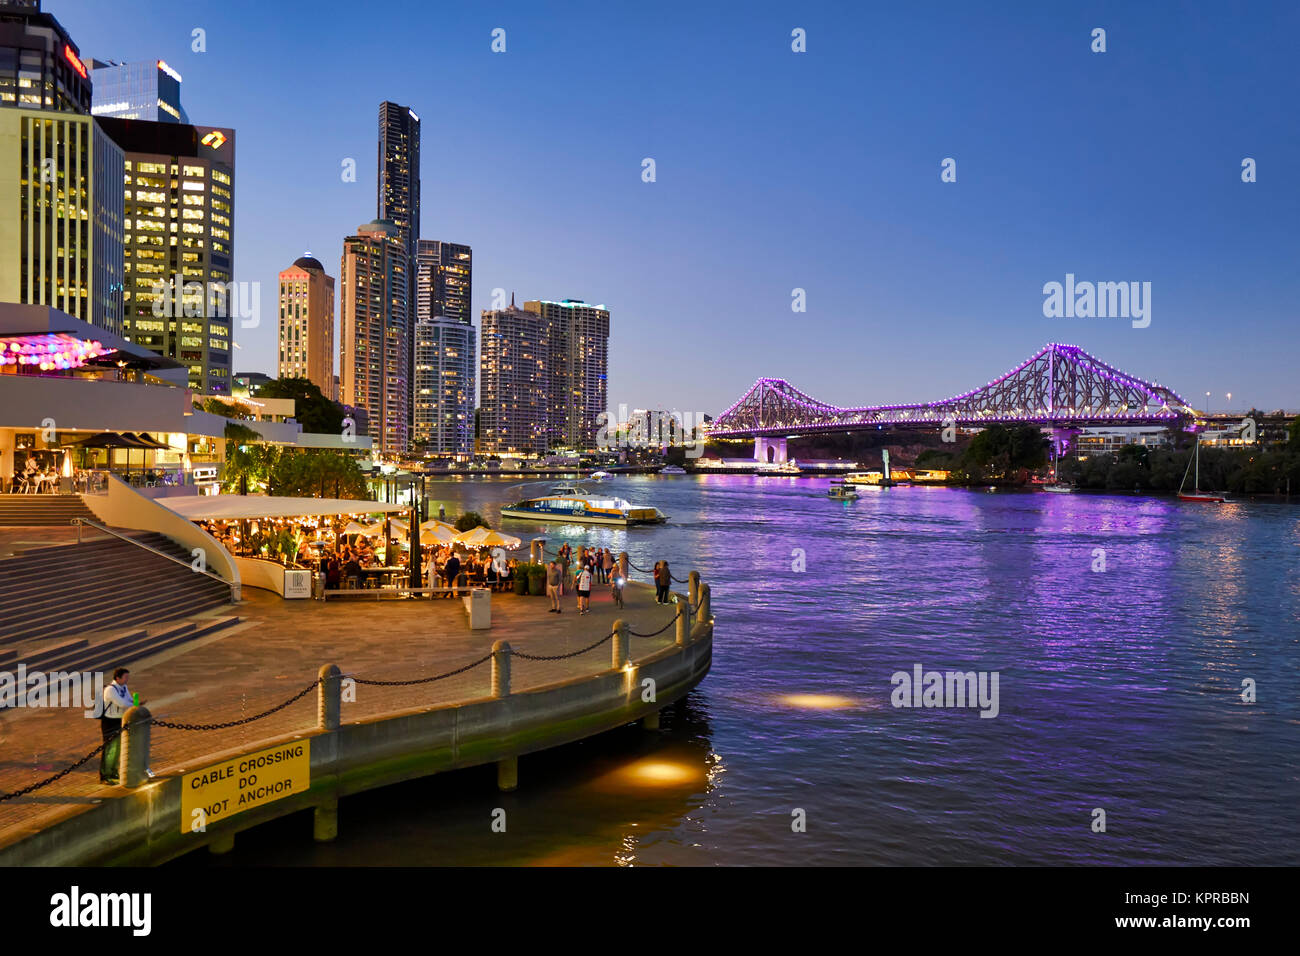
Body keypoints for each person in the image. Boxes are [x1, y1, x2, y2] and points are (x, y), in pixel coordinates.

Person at [99, 668, 136, 785]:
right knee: (110, 749)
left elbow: (129, 699)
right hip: (110, 722)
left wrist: (135, 704)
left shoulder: (124, 687)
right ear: (118, 678)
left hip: (119, 720)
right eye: (125, 677)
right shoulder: (110, 689)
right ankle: (105, 775)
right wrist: (133, 705)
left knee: (117, 748)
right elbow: (122, 703)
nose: (127, 679)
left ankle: (113, 771)